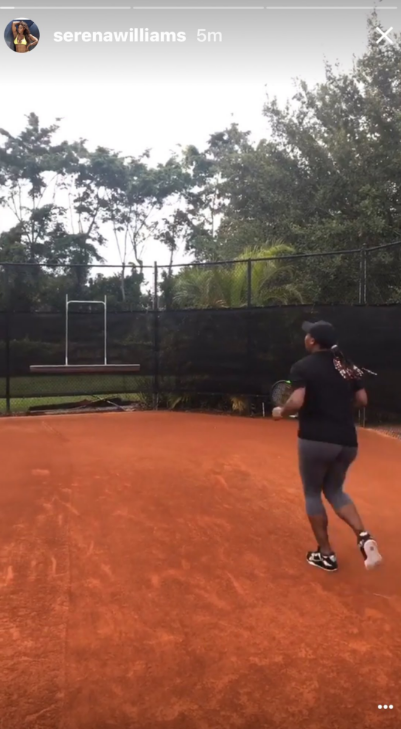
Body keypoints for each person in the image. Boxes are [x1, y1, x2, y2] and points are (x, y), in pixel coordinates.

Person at [272, 320, 382, 573]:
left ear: (312, 341)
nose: (305, 337)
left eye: (307, 334)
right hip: (347, 441)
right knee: (335, 490)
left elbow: (297, 401)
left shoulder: (302, 366)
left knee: (312, 492)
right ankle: (364, 537)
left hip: (315, 439)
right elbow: (362, 399)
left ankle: (326, 554)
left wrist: (282, 411)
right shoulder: (347, 365)